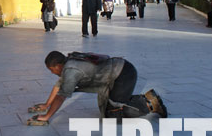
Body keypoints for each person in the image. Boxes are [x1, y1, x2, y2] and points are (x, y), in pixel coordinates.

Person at [26, 51, 167, 125]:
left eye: (52, 70)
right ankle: (145, 99)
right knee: (108, 114)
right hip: (119, 72)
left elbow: (62, 95)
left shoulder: (71, 71)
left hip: (123, 75)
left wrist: (46, 116)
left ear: (57, 66)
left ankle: (150, 104)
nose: (52, 73)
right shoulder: (69, 62)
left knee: (114, 115)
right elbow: (59, 86)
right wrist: (46, 104)